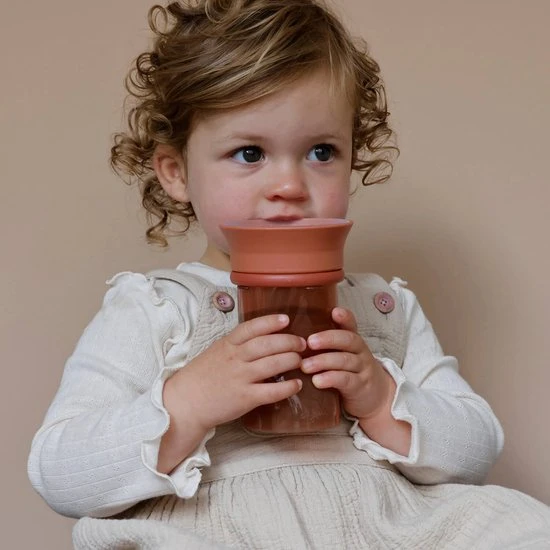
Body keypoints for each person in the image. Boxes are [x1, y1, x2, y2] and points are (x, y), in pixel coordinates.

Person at [28, 1, 550, 548]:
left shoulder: (381, 310)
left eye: (321, 151)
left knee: (521, 524)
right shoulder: (156, 308)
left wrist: (381, 398)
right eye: (249, 152)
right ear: (176, 173)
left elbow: (476, 450)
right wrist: (189, 402)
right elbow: (60, 473)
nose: (290, 186)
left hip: (379, 528)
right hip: (219, 532)